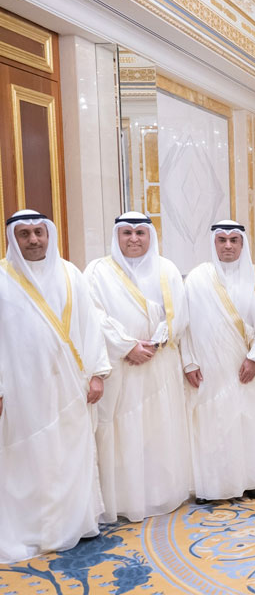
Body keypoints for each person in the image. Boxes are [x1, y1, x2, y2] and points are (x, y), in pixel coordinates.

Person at [0, 210, 111, 563]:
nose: (33, 240)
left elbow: (91, 326)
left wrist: (97, 373)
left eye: (39, 232)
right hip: (21, 392)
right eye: (25, 234)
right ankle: (36, 530)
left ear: (49, 234)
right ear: (13, 239)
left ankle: (75, 523)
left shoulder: (70, 274)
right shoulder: (2, 279)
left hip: (71, 388)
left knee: (70, 454)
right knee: (29, 458)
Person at [84, 211, 191, 522]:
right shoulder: (97, 272)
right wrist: (127, 345)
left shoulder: (167, 269)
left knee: (158, 429)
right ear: (117, 236)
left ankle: (159, 495)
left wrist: (155, 343)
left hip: (159, 364)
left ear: (150, 236)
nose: (133, 239)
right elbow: (93, 315)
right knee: (121, 432)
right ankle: (122, 500)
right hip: (119, 367)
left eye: (140, 233)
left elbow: (179, 314)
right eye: (127, 233)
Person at [181, 220, 255, 504]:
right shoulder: (197, 278)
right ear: (214, 243)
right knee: (214, 424)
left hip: (247, 366)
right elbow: (184, 326)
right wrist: (189, 363)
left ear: (243, 243)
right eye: (222, 240)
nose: (228, 246)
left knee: (248, 422)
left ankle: (250, 481)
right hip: (210, 367)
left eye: (234, 240)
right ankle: (213, 485)